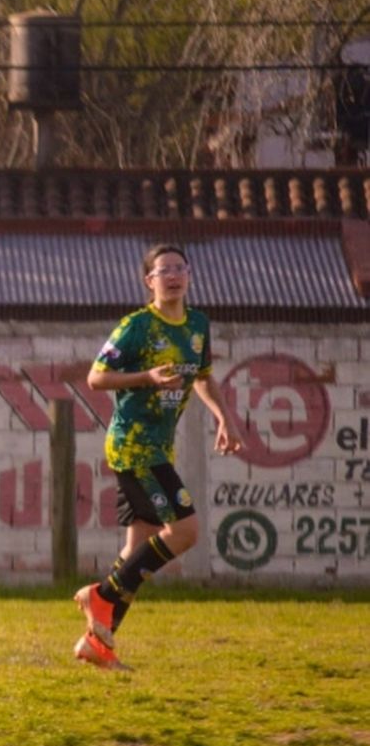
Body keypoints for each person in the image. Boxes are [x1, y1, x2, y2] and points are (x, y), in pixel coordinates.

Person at [75, 242, 241, 670]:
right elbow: (96, 378)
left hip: (158, 446)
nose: (173, 275)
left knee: (139, 549)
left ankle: (98, 646)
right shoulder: (137, 326)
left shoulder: (197, 326)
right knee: (185, 531)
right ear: (149, 281)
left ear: (189, 275)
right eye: (163, 269)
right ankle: (102, 595)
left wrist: (224, 417)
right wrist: (146, 377)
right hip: (134, 446)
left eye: (179, 268)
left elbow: (202, 377)